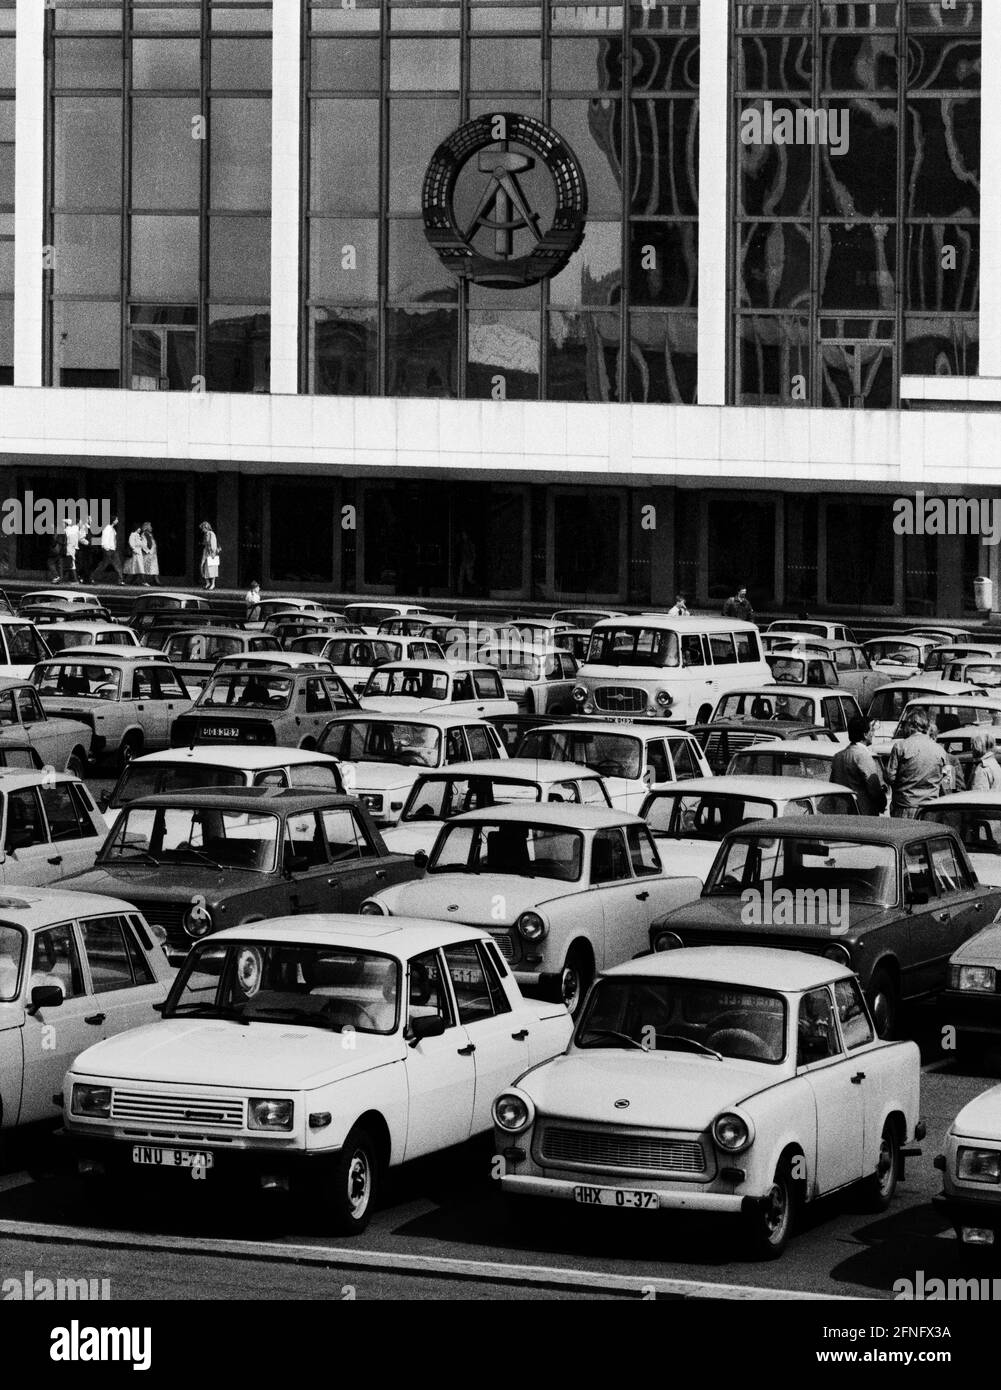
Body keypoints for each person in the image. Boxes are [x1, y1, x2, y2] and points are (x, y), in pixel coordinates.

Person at [885, 708, 950, 818]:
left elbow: (889, 777)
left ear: (911, 725)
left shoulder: (900, 747)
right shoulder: (941, 751)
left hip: (904, 807)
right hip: (930, 809)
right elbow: (948, 783)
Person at [830, 716, 887, 815]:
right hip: (862, 811)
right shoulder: (863, 756)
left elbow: (833, 782)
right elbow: (874, 789)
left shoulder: (838, 756)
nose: (873, 734)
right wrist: (882, 803)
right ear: (865, 734)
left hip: (841, 811)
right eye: (872, 731)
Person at [91, 515, 123, 584]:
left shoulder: (113, 529)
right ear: (113, 520)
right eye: (116, 519)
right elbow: (104, 539)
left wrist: (114, 548)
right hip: (108, 549)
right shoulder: (107, 528)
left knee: (118, 564)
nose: (117, 521)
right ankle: (92, 578)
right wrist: (106, 548)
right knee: (103, 565)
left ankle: (120, 581)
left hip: (113, 549)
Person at [199, 520, 220, 591]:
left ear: (206, 527)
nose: (202, 530)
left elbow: (213, 543)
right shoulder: (206, 534)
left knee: (212, 567)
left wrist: (213, 552)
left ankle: (213, 584)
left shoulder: (211, 533)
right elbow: (205, 543)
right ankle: (207, 583)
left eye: (203, 528)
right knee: (204, 566)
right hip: (206, 551)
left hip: (210, 552)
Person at [62, 517, 80, 583]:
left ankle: (75, 580)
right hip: (73, 549)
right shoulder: (74, 530)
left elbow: (69, 542)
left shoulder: (67, 531)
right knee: (71, 565)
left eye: (64, 523)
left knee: (71, 565)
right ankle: (69, 579)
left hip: (69, 549)